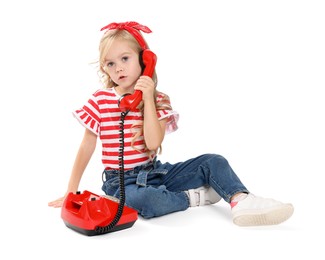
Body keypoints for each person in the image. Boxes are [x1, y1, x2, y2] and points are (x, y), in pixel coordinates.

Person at [48, 21, 294, 227]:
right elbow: (86, 146)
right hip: (121, 182)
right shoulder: (100, 100)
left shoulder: (157, 99)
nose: (118, 68)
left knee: (214, 160)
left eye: (125, 58)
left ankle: (240, 199)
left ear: (145, 60)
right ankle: (194, 198)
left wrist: (147, 99)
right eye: (110, 63)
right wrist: (72, 190)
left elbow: (153, 142)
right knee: (146, 200)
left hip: (155, 171)